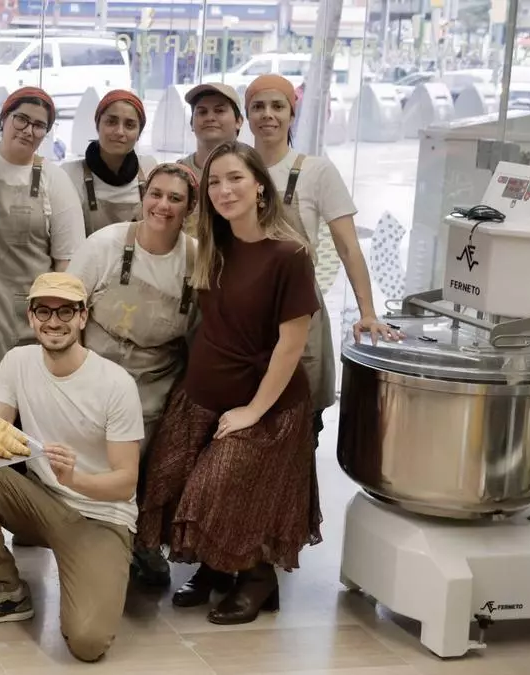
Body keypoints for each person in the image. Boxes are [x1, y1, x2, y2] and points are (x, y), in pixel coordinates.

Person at [137, 141, 320, 625]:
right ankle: (218, 567)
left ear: (260, 184)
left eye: (235, 178)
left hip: (266, 405)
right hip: (200, 393)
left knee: (214, 488)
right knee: (166, 479)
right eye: (214, 181)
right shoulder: (212, 246)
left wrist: (253, 412)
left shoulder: (289, 254)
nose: (224, 189)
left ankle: (258, 577)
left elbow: (290, 345)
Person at [0, 271, 144, 663]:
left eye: (65, 311)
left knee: (87, 644)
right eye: (43, 311)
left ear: (83, 316)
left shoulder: (115, 384)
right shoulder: (18, 362)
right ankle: (7, 590)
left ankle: (107, 569)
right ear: (31, 317)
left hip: (100, 518)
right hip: (43, 501)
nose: (54, 322)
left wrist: (76, 479)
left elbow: (125, 483)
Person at [243, 74, 402, 441]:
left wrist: (367, 312)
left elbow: (348, 247)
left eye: (277, 106)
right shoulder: (233, 169)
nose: (268, 115)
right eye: (258, 107)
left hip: (299, 310)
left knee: (299, 427)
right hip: (243, 313)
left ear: (292, 114)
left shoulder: (316, 171)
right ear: (246, 116)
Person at [65, 162, 197, 589]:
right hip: (96, 374)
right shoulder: (105, 245)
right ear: (143, 196)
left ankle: (144, 545)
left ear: (190, 208)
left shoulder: (198, 260)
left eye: (175, 198)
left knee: (146, 470)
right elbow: (65, 305)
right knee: (89, 466)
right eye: (156, 194)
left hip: (156, 380)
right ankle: (84, 546)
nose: (163, 205)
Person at [0, 86, 86, 382]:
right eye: (21, 119)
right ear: (3, 118)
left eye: (39, 125)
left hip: (29, 320)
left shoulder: (55, 180)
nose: (29, 130)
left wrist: (61, 327)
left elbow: (66, 265)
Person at [60, 90, 156, 235]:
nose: (119, 132)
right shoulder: (70, 173)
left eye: (130, 125)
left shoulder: (149, 169)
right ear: (98, 125)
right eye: (111, 122)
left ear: (139, 134)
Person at [177, 82, 243, 183]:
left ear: (238, 121)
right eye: (202, 112)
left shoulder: (253, 170)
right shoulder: (178, 173)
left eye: (219, 111)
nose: (210, 118)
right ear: (191, 123)